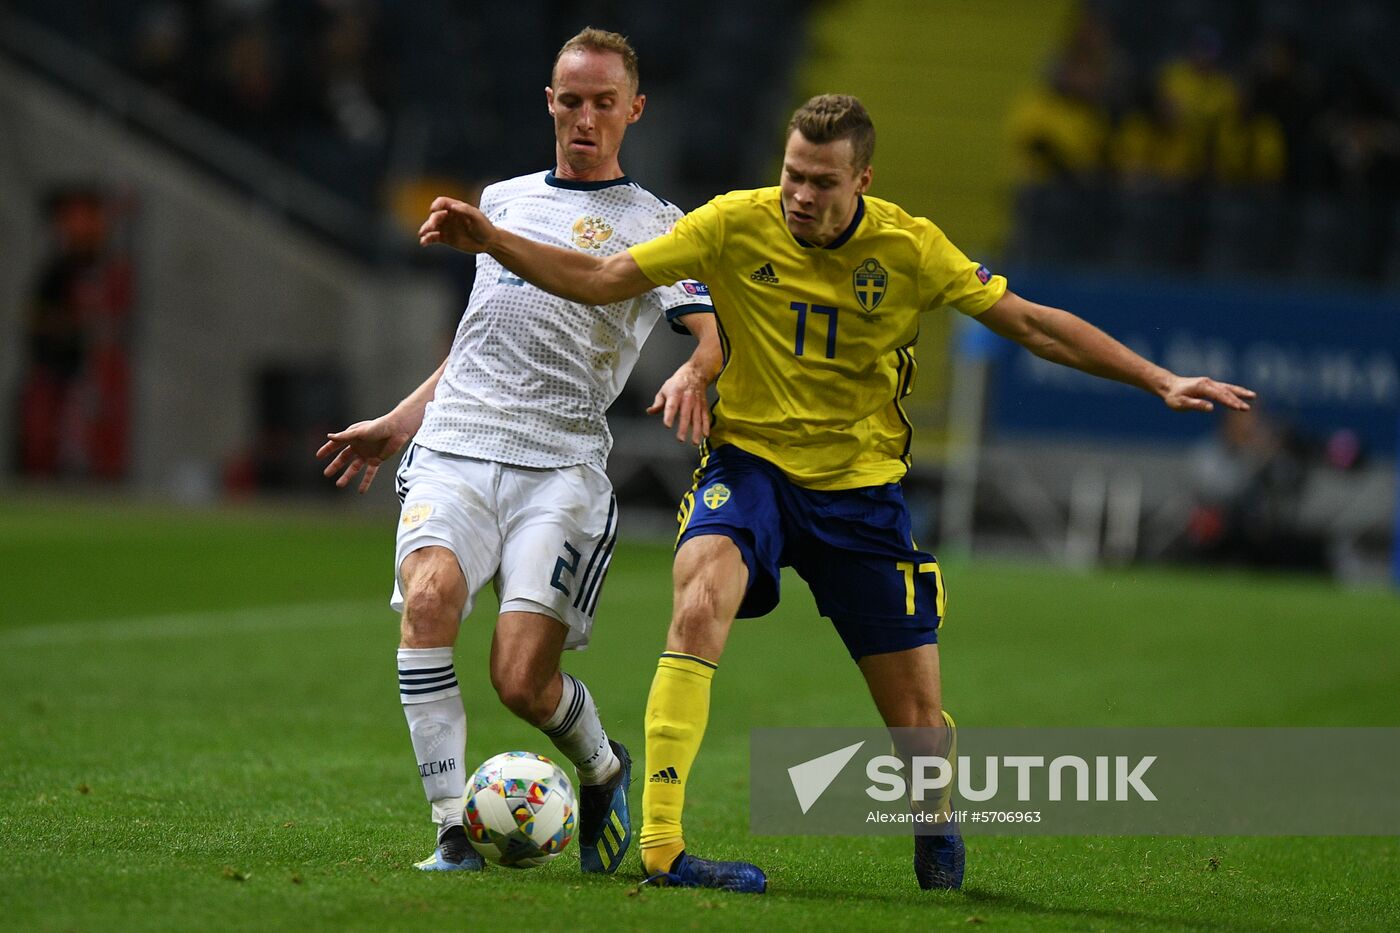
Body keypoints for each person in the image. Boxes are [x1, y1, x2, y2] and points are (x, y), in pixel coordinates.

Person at [416, 94, 1256, 893]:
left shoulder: (911, 248)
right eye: (793, 173)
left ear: (863, 183)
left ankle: (933, 815)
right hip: (751, 468)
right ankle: (664, 848)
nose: (801, 195)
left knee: (917, 717)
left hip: (861, 491)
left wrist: (1157, 379)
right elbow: (604, 278)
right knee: (700, 595)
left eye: (822, 181)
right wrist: (493, 239)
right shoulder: (733, 221)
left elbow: (1032, 324)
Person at [317, 28, 715, 874]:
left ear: (633, 110)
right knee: (428, 602)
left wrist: (697, 373)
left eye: (604, 102)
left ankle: (604, 766)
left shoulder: (661, 226)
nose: (585, 116)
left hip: (561, 467)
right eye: (570, 100)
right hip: (457, 447)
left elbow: (711, 336)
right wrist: (400, 420)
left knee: (520, 682)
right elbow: (479, 338)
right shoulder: (499, 197)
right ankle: (450, 831)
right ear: (549, 102)